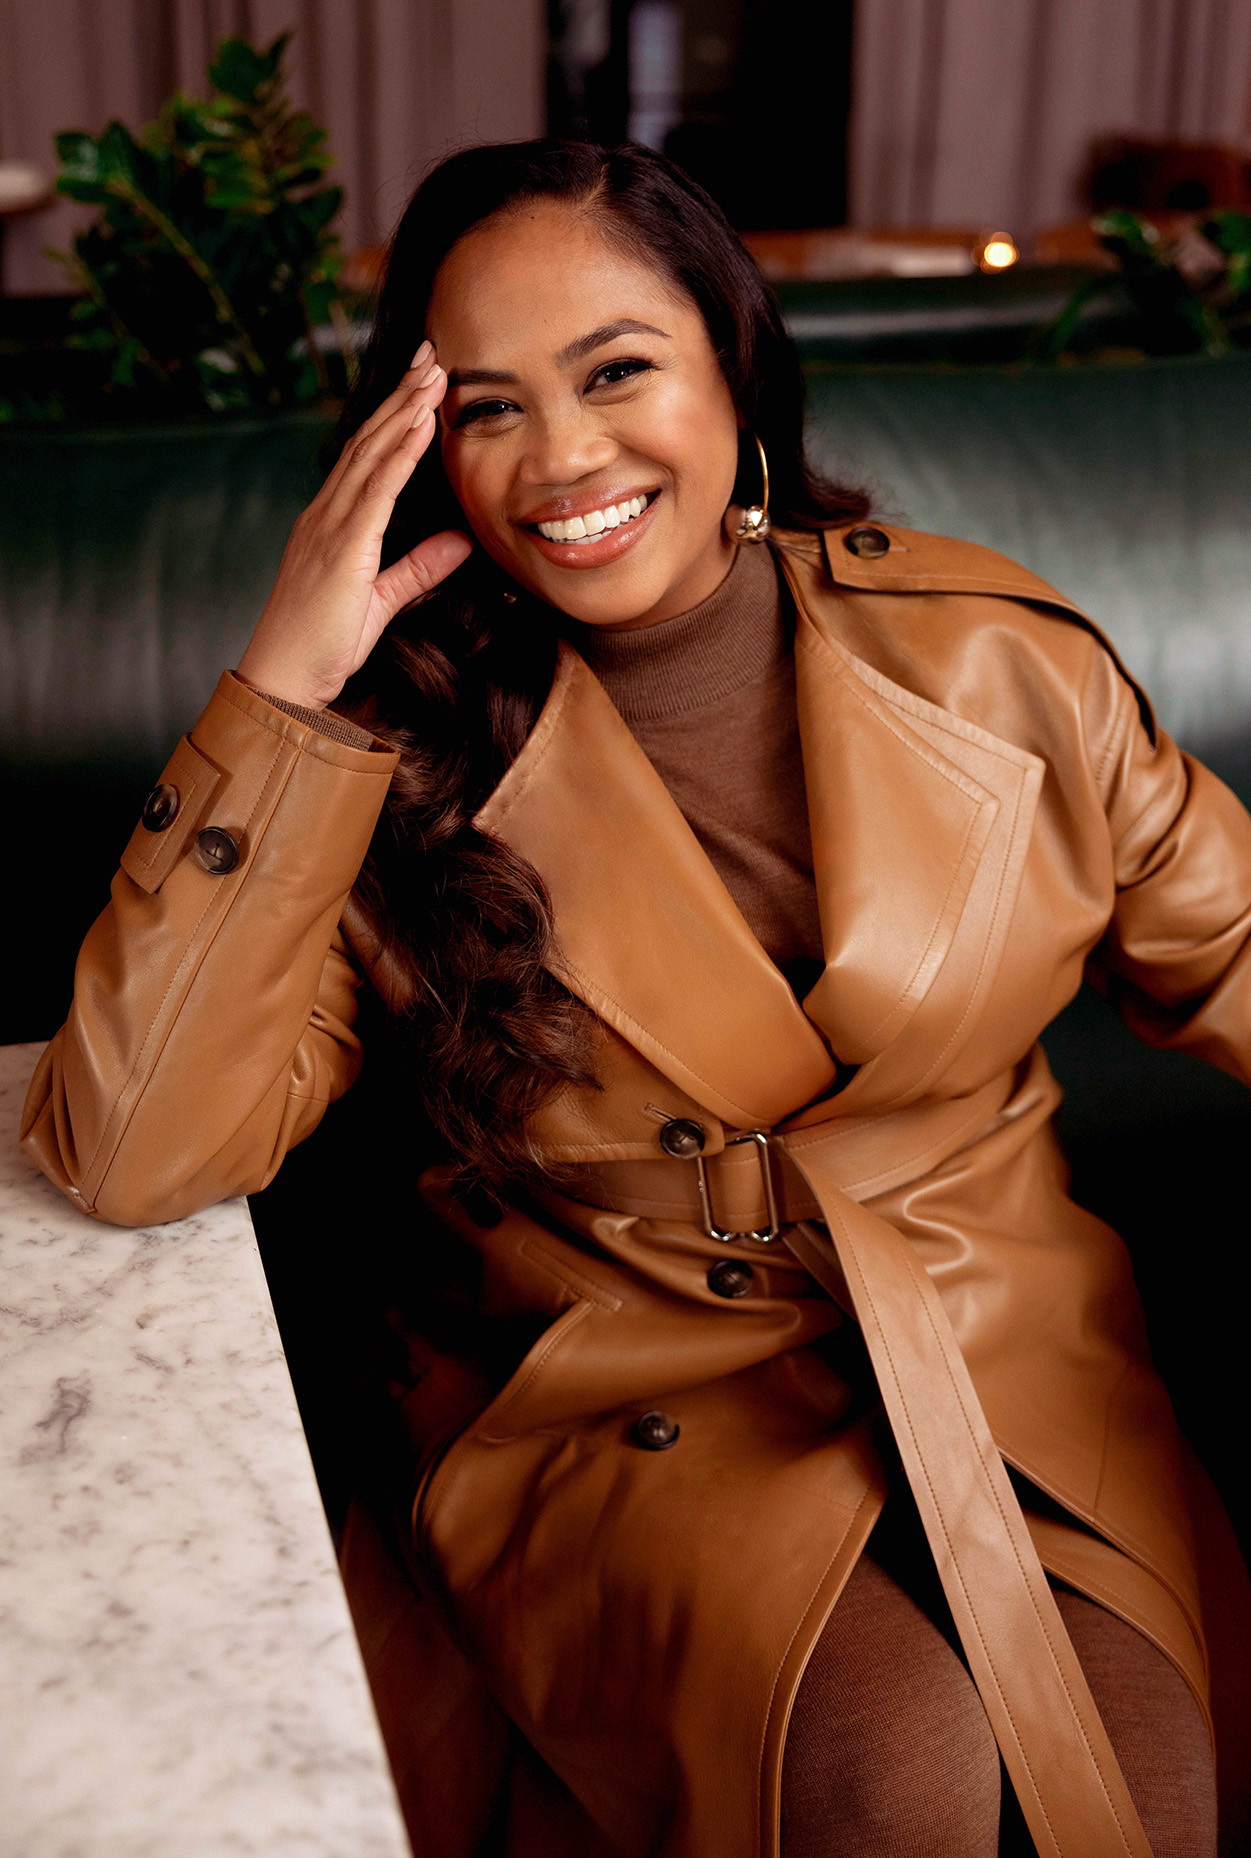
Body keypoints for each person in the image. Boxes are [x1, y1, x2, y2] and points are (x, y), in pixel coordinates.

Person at [21, 140, 1251, 1858]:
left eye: (616, 371)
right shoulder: (373, 765)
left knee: (1148, 1787)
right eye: (491, 407)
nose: (565, 460)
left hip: (1001, 1336)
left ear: (733, 365)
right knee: (897, 1778)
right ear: (421, 447)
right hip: (618, 1396)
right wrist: (282, 691)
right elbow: (133, 1145)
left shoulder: (995, 655)